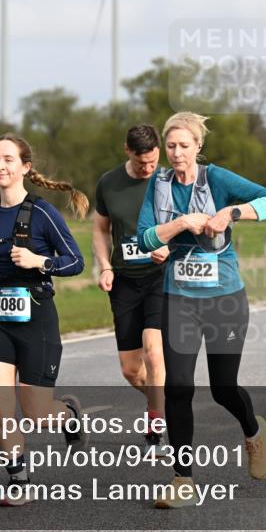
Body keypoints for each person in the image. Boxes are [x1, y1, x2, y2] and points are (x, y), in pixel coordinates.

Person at [136, 112, 266, 508]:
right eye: (171, 146)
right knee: (178, 386)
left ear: (198, 147)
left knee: (223, 388)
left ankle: (253, 433)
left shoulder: (215, 178)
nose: (177, 153)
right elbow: (144, 236)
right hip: (178, 298)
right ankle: (182, 480)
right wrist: (181, 224)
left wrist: (231, 213)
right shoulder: (159, 183)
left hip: (224, 299)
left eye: (185, 146)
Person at [0, 134, 88, 505]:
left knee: (37, 415)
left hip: (37, 319)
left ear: (25, 168)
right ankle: (19, 478)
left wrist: (40, 262)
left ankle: (70, 414)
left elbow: (76, 262)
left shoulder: (44, 213)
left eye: (9, 159)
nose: (0, 166)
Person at [93, 124, 171, 456]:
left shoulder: (169, 181)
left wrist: (169, 248)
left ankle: (156, 424)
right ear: (128, 151)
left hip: (160, 275)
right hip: (124, 280)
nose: (149, 169)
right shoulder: (108, 183)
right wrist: (105, 266)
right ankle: (165, 403)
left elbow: (185, 225)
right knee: (130, 369)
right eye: (143, 164)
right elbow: (100, 228)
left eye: (154, 162)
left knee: (154, 350)